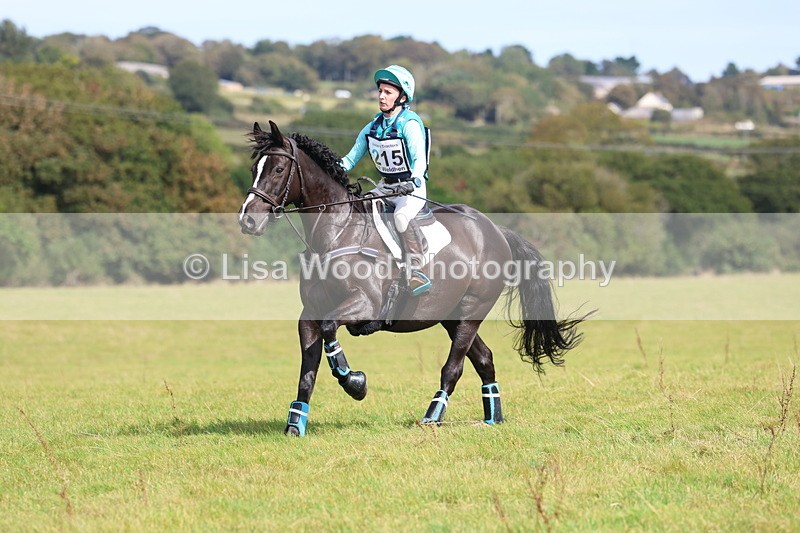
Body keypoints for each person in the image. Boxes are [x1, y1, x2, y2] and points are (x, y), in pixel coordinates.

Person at [339, 65, 432, 295]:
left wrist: (415, 181)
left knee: (400, 217)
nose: (381, 96)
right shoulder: (373, 127)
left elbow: (420, 160)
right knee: (358, 210)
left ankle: (416, 270)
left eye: (388, 92)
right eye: (380, 91)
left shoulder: (409, 123)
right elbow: (349, 160)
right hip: (385, 187)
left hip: (410, 189)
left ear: (401, 96)